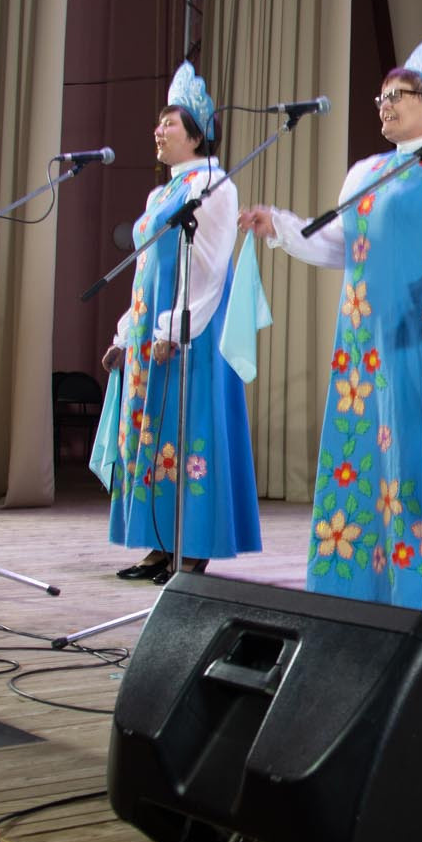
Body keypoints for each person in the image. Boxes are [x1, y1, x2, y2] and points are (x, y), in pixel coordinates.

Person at [241, 37, 422, 623]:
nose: (384, 105)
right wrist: (280, 227)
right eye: (380, 96)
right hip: (363, 336)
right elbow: (342, 245)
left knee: (418, 452)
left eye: (398, 95)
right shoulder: (366, 170)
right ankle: (369, 583)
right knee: (364, 455)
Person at [101, 63, 261, 582]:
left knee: (188, 431)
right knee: (152, 433)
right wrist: (128, 331)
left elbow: (212, 267)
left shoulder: (215, 184)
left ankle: (192, 546)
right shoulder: (160, 194)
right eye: (159, 122)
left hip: (192, 328)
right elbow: (146, 270)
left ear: (197, 132)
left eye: (170, 122)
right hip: (153, 329)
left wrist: (174, 329)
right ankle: (157, 542)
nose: (159, 130)